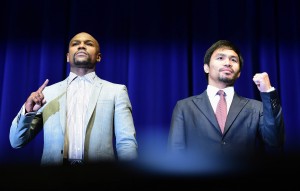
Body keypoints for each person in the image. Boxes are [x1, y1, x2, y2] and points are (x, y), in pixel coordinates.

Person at [9, 32, 138, 166]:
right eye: (75, 44)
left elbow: (126, 142)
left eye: (88, 44)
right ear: (67, 57)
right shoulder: (47, 93)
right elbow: (16, 142)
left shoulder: (116, 91)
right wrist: (27, 112)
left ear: (99, 57)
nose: (81, 46)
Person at [168, 40, 285, 169]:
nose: (228, 63)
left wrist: (267, 91)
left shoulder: (256, 108)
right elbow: (175, 153)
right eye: (220, 58)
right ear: (206, 67)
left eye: (234, 60)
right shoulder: (184, 107)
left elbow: (275, 141)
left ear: (239, 72)